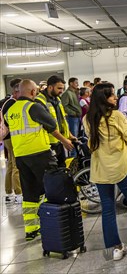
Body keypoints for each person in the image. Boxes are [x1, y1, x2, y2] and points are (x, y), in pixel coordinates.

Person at [83, 83, 127, 261]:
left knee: (108, 209)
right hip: (121, 166)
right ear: (104, 98)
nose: (116, 98)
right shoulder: (115, 116)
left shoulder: (88, 119)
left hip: (100, 169)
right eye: (112, 95)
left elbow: (91, 140)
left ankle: (115, 248)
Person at [5, 79, 74, 240]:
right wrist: (65, 140)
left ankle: (31, 229)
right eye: (35, 90)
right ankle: (54, 222)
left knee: (29, 193)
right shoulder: (33, 106)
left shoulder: (11, 110)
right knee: (51, 188)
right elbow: (51, 124)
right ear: (31, 92)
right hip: (40, 153)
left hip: (21, 156)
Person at [35, 76, 77, 167]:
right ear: (50, 87)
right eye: (59, 88)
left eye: (62, 88)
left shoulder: (57, 99)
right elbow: (48, 126)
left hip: (58, 141)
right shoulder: (39, 102)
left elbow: (61, 120)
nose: (61, 91)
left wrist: (69, 135)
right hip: (48, 144)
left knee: (62, 168)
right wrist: (64, 140)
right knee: (52, 171)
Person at [1, 78, 22, 205]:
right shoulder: (12, 103)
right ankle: (19, 194)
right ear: (16, 90)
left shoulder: (7, 102)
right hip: (11, 137)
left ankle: (9, 193)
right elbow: (11, 122)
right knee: (15, 166)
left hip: (7, 138)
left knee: (10, 165)